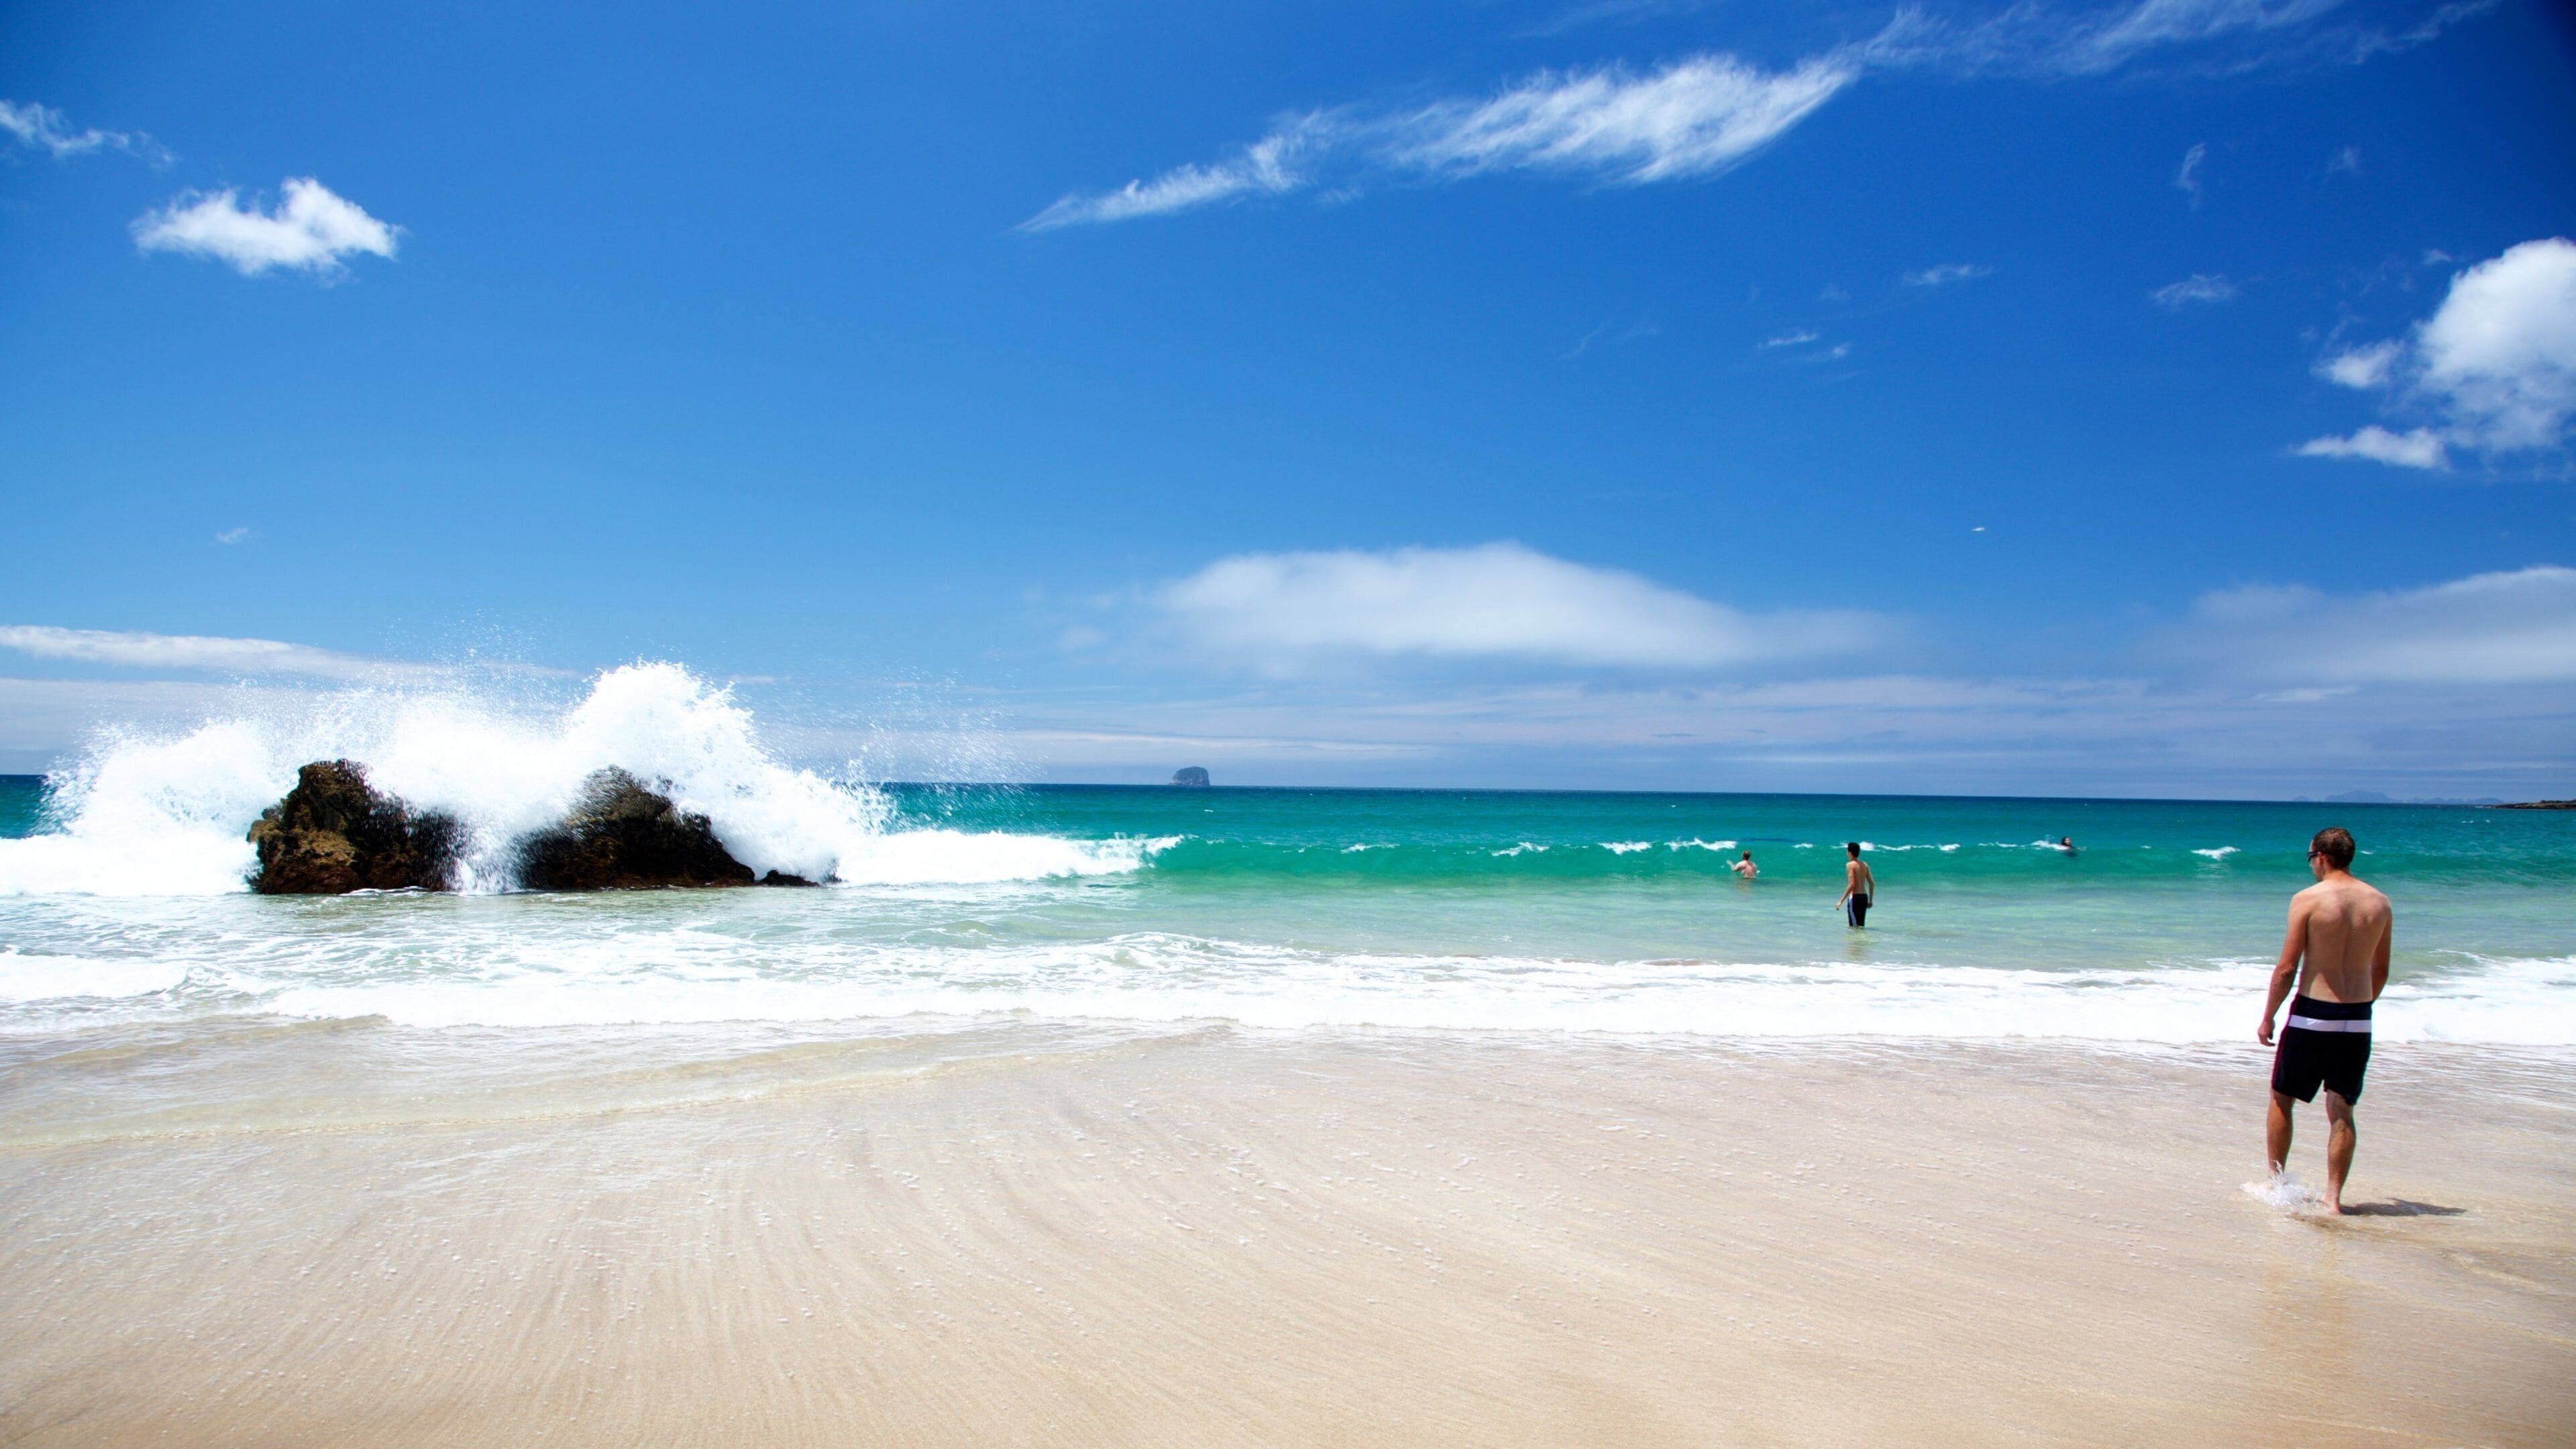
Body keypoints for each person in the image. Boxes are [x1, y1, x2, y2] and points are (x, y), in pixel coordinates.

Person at [2257, 826, 2392, 1214]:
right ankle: (2334, 1200)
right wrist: (2359, 1007)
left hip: (2314, 1014)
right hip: (2358, 1015)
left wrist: (2269, 1016)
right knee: (2342, 1109)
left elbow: (2286, 968)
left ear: (2320, 856)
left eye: (2310, 858)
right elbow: (2380, 970)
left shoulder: (2308, 900)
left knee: (2283, 1099)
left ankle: (2277, 1184)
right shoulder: (2379, 903)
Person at [1837, 842, 1874, 927]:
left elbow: (1852, 885)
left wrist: (1841, 901)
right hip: (1864, 897)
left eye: (1847, 852)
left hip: (1855, 898)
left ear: (1850, 853)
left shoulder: (1850, 865)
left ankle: (1856, 941)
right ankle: (1861, 940)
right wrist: (1870, 901)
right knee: (1860, 926)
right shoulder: (1864, 865)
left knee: (1854, 927)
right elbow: (1872, 883)